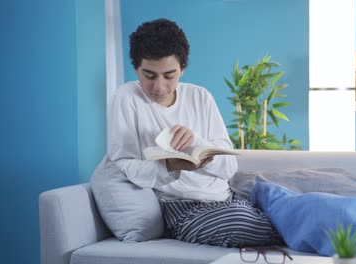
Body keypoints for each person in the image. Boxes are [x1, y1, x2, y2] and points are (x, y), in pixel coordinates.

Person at [101, 18, 281, 247]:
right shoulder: (126, 98)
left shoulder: (200, 96)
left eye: (169, 75)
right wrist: (171, 165)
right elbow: (124, 165)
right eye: (149, 75)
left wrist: (200, 147)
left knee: (297, 204)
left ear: (182, 69)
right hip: (180, 207)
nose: (159, 87)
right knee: (244, 223)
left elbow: (229, 168)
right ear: (136, 67)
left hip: (227, 198)